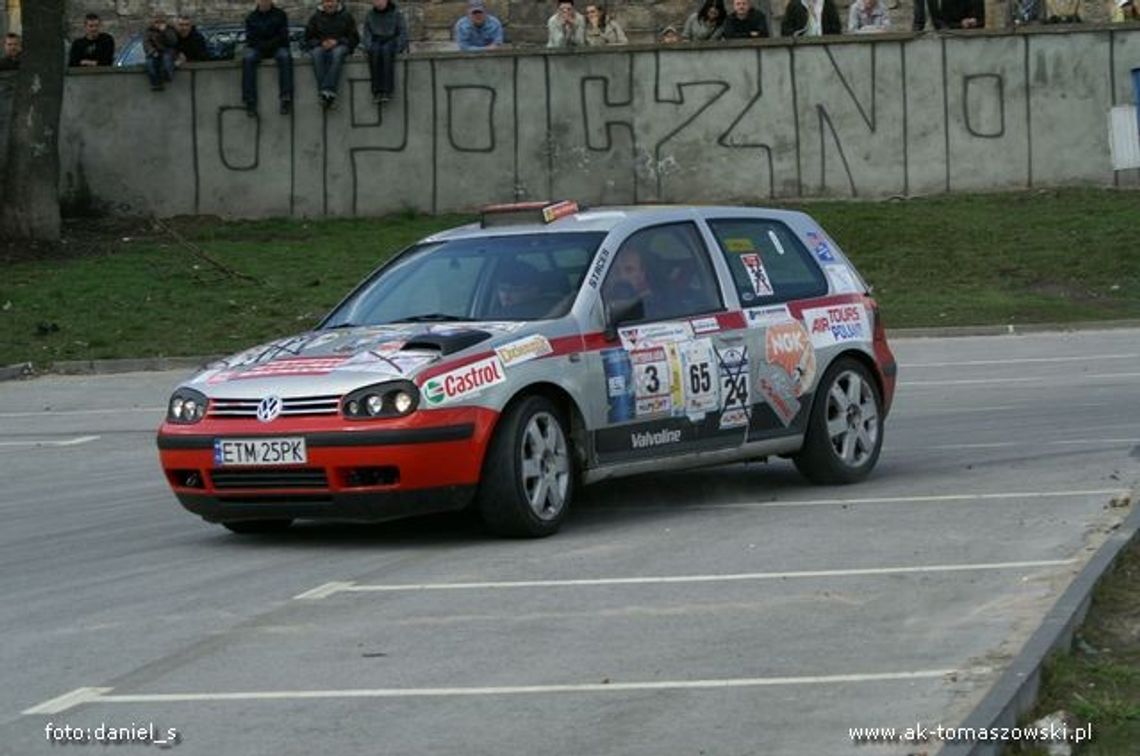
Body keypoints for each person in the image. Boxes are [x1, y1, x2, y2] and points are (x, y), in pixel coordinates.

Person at [242, 0, 294, 116]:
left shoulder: (280, 14)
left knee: (285, 57)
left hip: (277, 46)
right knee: (248, 59)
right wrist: (262, 46)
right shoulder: (251, 17)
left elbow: (283, 35)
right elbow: (250, 38)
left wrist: (269, 45)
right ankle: (250, 100)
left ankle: (286, 97)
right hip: (258, 48)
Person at [306, 0, 359, 110]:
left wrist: (337, 41)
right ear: (323, 3)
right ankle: (326, 94)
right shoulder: (315, 18)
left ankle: (327, 90)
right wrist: (322, 43)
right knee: (316, 53)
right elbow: (307, 39)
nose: (329, 5)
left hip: (341, 46)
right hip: (321, 46)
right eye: (327, 2)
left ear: (337, 2)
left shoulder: (346, 16)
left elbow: (354, 38)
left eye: (332, 1)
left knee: (337, 52)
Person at [363, 0, 408, 105]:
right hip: (376, 41)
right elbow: (366, 33)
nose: (378, 2)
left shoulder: (397, 13)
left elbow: (402, 32)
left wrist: (399, 46)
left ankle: (387, 90)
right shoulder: (370, 15)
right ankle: (377, 91)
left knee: (386, 51)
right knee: (375, 52)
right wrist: (368, 46)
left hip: (392, 40)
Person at [143, 14, 178, 91]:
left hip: (167, 51)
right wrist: (152, 51)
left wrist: (164, 31)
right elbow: (146, 43)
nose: (159, 24)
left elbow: (173, 41)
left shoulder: (169, 29)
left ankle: (167, 75)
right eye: (156, 22)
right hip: (155, 52)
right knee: (150, 63)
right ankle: (155, 83)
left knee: (167, 60)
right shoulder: (149, 31)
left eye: (161, 22)